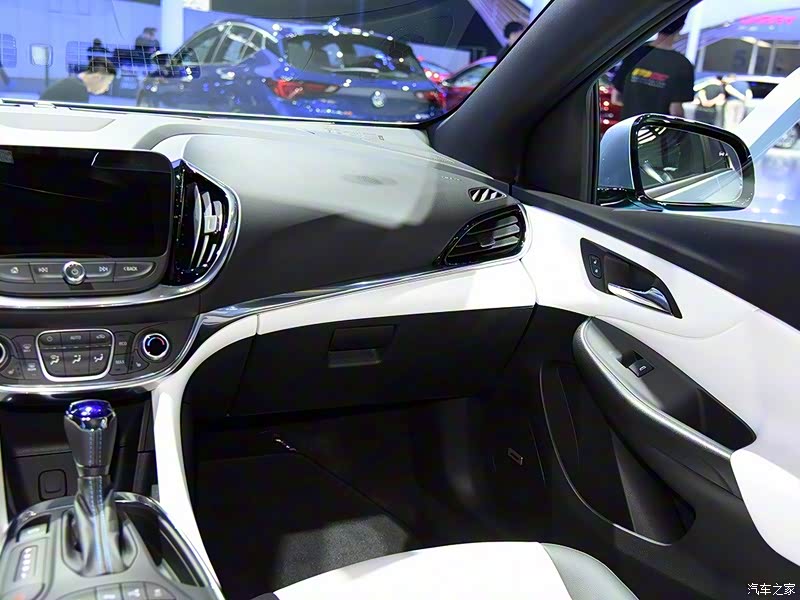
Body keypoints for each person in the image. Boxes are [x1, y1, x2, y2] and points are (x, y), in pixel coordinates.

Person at [611, 15, 695, 119]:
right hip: (658, 128)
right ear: (681, 27)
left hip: (629, 126)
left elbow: (616, 98)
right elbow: (675, 111)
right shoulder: (682, 64)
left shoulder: (634, 53)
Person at [39, 58, 116, 104]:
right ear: (97, 77)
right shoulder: (78, 91)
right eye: (108, 83)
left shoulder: (70, 83)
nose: (107, 88)